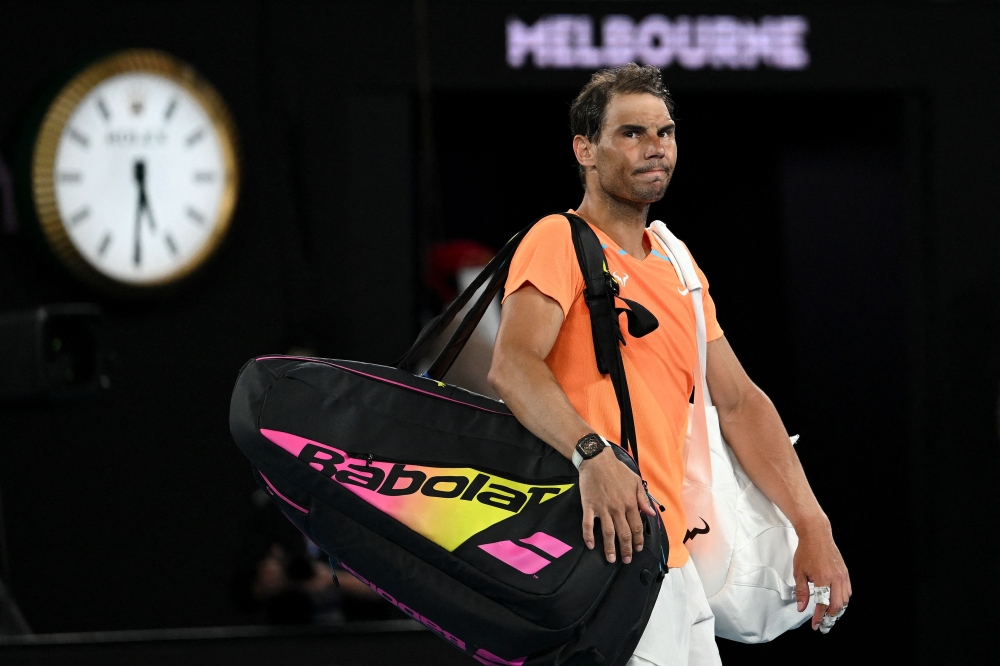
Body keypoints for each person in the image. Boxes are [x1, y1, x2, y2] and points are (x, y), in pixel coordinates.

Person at [487, 64, 851, 665]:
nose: (655, 147)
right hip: (593, 551)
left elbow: (739, 402)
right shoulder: (558, 239)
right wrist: (591, 452)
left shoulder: (678, 262)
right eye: (632, 133)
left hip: (670, 560)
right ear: (586, 149)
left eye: (665, 132)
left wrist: (813, 524)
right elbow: (514, 367)